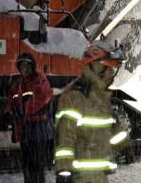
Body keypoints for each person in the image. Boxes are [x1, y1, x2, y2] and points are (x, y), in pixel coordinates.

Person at [54, 43, 128, 183]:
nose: (112, 74)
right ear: (97, 68)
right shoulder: (75, 96)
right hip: (80, 177)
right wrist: (64, 171)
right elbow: (65, 137)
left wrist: (120, 143)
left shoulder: (101, 97)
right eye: (109, 69)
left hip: (99, 175)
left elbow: (105, 132)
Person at [6, 53, 54, 183]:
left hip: (37, 128)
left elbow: (43, 98)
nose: (25, 68)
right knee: (27, 164)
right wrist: (9, 112)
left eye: (27, 65)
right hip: (26, 129)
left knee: (36, 164)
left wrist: (25, 112)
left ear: (32, 66)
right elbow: (12, 101)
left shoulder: (40, 80)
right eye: (22, 65)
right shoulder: (18, 84)